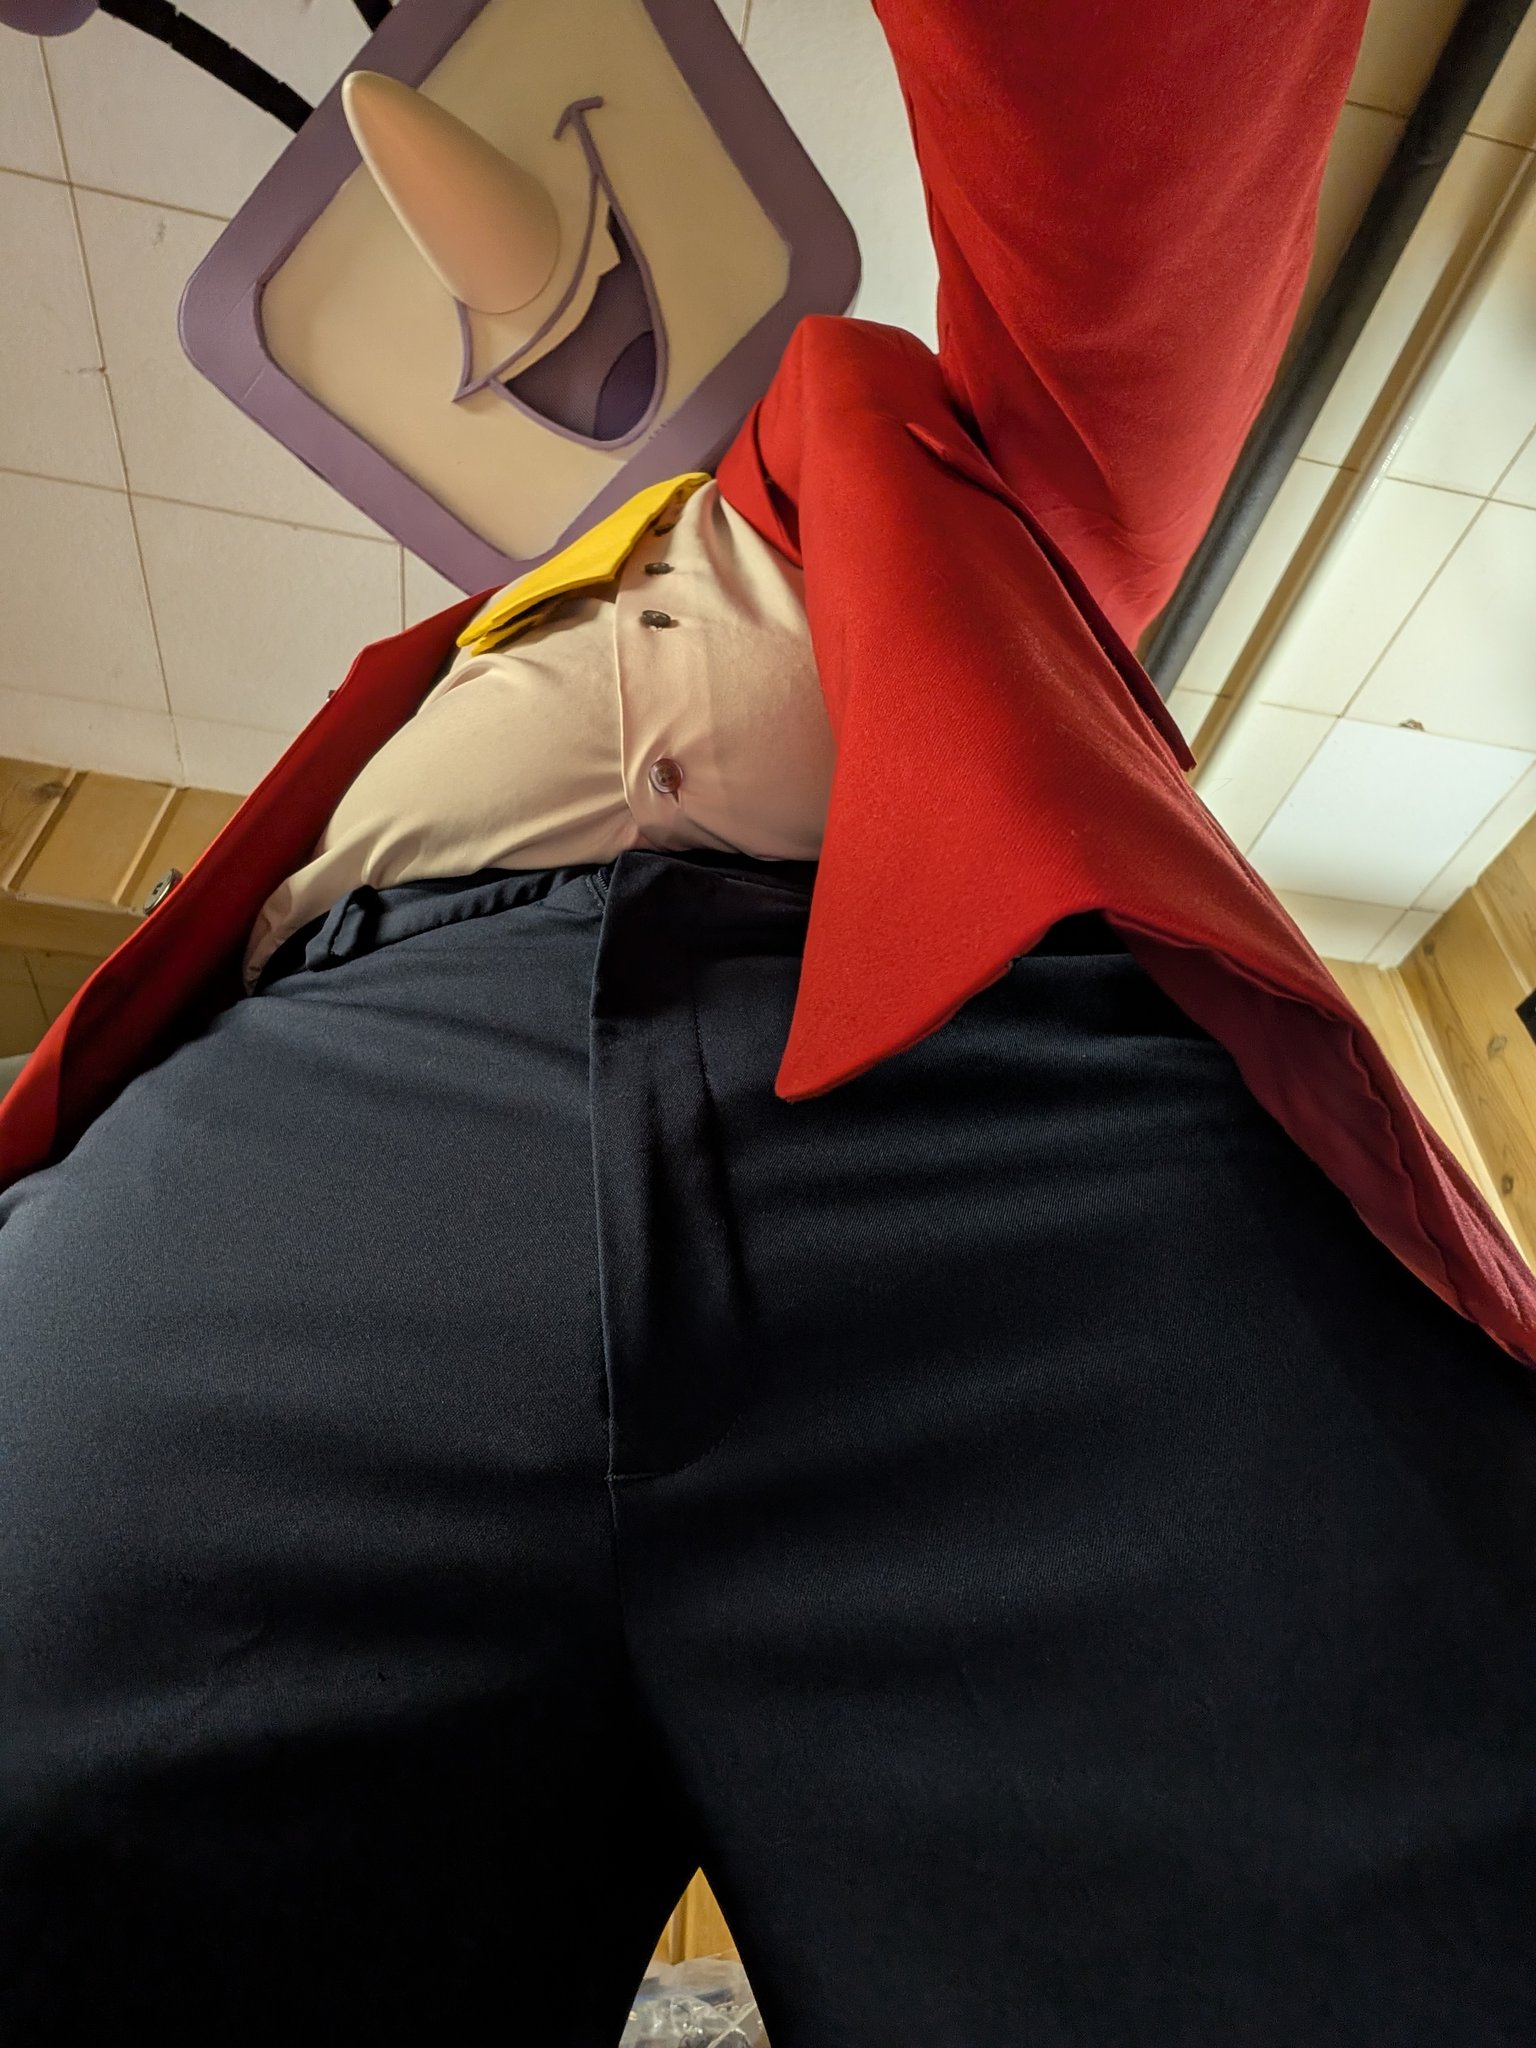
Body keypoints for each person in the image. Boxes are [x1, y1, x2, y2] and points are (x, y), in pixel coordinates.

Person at [4, 1, 1536, 2039]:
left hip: (991, 1084)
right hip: (330, 1088)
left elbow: (1128, 206)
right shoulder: (427, 673)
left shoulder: (948, 483)